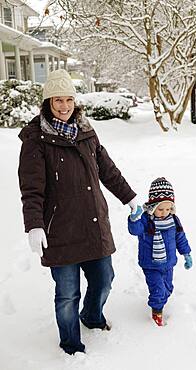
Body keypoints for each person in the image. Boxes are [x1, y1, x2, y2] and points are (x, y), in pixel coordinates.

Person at [18, 69, 139, 355]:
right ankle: (71, 345)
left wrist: (129, 197)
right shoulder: (35, 140)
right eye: (57, 100)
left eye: (68, 99)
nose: (64, 106)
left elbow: (107, 170)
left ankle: (92, 315)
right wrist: (34, 225)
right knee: (67, 294)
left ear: (75, 101)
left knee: (104, 280)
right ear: (47, 103)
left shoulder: (86, 131)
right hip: (59, 230)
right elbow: (32, 189)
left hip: (93, 224)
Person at [128, 177, 192, 326]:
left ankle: (161, 301)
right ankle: (157, 312)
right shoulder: (145, 220)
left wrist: (186, 253)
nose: (165, 212)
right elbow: (135, 230)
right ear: (153, 206)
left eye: (168, 208)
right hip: (150, 264)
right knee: (158, 290)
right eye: (161, 209)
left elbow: (180, 237)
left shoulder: (174, 220)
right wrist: (134, 219)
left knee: (168, 288)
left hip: (168, 263)